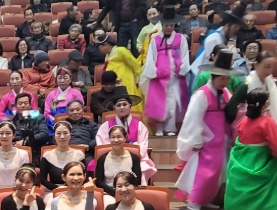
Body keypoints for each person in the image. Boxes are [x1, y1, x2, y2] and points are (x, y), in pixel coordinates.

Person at [176, 50, 239, 210]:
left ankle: (205, 200)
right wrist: (195, 140)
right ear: (214, 76)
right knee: (204, 173)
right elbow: (193, 118)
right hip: (205, 140)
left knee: (218, 174)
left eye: (227, 78)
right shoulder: (202, 94)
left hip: (220, 140)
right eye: (222, 78)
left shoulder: (225, 92)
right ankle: (192, 206)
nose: (225, 82)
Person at [225, 88, 277, 210]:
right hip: (263, 165)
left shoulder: (243, 121)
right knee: (273, 202)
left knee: (247, 205)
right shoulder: (267, 122)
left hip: (241, 165)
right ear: (265, 104)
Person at [140, 6, 189, 136]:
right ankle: (160, 128)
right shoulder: (155, 40)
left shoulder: (181, 38)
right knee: (159, 102)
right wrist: (154, 72)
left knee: (173, 102)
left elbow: (185, 55)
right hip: (159, 77)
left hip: (176, 77)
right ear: (162, 25)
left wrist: (182, 69)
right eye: (166, 25)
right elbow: (151, 58)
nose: (168, 28)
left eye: (171, 25)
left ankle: (170, 128)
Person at [96, 93, 156, 184]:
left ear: (130, 106)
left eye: (124, 104)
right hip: (112, 156)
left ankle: (137, 189)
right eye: (118, 105)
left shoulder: (140, 125)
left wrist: (129, 152)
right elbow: (102, 145)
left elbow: (143, 145)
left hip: (135, 158)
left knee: (142, 168)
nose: (122, 107)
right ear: (114, 108)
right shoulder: (106, 125)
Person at [225, 51, 277, 138]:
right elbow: (231, 109)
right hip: (246, 131)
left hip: (266, 129)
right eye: (266, 67)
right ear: (256, 65)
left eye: (271, 67)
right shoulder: (246, 85)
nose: (268, 70)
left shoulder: (270, 85)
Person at [189, 5, 245, 77]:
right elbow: (214, 64)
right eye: (235, 27)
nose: (235, 31)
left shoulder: (222, 36)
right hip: (203, 75)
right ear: (228, 25)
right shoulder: (215, 39)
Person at [0, 121, 30, 201]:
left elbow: (25, 177)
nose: (4, 136)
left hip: (18, 193)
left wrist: (17, 193)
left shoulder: (23, 154)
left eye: (8, 133)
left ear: (14, 135)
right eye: (1, 133)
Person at [96, 34, 143, 109]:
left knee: (128, 100)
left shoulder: (121, 50)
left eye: (100, 48)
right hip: (115, 82)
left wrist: (137, 78)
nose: (100, 51)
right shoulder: (107, 56)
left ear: (105, 45)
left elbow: (134, 64)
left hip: (126, 80)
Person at [95, 125, 142, 194]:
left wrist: (124, 191)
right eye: (113, 137)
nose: (116, 140)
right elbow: (98, 182)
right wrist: (114, 192)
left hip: (128, 193)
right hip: (108, 193)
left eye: (119, 137)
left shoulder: (134, 158)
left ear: (125, 138)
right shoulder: (102, 159)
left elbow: (137, 181)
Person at [40, 121, 85, 190]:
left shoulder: (79, 155)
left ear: (70, 135)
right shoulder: (47, 155)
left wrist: (71, 190)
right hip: (53, 190)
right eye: (58, 133)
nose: (62, 137)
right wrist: (59, 189)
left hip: (76, 190)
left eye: (65, 133)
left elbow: (84, 178)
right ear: (54, 136)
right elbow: (43, 179)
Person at [11, 92, 50, 161]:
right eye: (20, 103)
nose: (23, 105)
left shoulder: (39, 117)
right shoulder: (12, 121)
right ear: (16, 106)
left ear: (30, 105)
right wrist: (15, 144)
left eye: (25, 103)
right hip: (18, 153)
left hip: (36, 152)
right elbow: (8, 139)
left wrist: (26, 141)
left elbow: (44, 134)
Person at [65, 100, 99, 165]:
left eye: (78, 109)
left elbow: (98, 138)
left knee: (92, 165)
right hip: (67, 153)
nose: (75, 112)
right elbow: (54, 140)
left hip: (86, 153)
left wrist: (88, 146)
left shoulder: (92, 125)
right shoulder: (63, 125)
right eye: (71, 110)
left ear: (83, 110)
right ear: (67, 113)